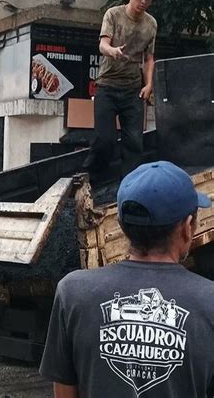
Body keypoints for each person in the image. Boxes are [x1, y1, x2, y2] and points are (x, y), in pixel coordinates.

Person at [39, 161, 213, 398]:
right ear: (186, 228)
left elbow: (64, 392)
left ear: (121, 225)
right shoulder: (209, 301)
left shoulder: (73, 293)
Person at [83, 0, 158, 176]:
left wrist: (149, 84)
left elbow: (149, 58)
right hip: (107, 87)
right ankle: (90, 177)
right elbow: (102, 44)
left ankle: (129, 186)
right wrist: (112, 51)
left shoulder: (151, 24)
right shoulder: (113, 15)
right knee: (104, 140)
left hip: (132, 90)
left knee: (134, 143)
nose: (144, 1)